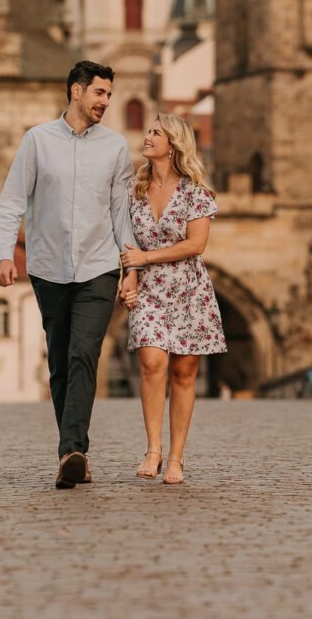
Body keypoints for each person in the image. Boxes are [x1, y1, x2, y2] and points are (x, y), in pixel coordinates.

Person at [0, 61, 138, 490]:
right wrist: (4, 255)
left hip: (99, 266)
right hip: (49, 267)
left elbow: (122, 213)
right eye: (99, 93)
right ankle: (72, 453)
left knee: (83, 354)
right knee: (59, 362)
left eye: (109, 95)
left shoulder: (115, 148)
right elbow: (11, 202)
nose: (105, 102)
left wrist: (131, 267)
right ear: (76, 91)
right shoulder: (37, 141)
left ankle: (73, 451)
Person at [120, 113, 227, 486]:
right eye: (148, 130)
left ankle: (177, 457)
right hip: (150, 290)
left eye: (156, 132)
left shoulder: (195, 192)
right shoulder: (134, 189)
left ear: (173, 144)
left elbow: (196, 245)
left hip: (188, 290)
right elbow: (126, 237)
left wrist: (146, 257)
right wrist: (130, 272)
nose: (147, 136)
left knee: (183, 373)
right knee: (151, 363)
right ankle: (153, 449)